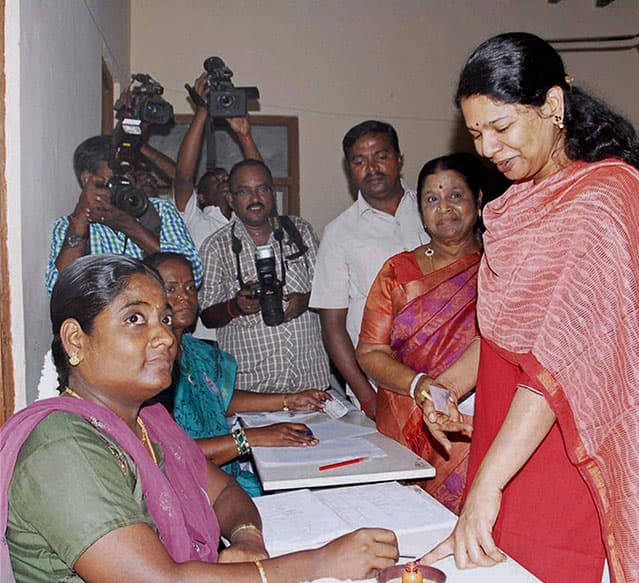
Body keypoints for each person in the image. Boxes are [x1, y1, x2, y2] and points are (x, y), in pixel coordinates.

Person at [421, 33, 639, 583]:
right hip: (508, 440)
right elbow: (507, 335)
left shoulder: (605, 200)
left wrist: (484, 485)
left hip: (573, 447)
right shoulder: (518, 206)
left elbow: (562, 357)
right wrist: (444, 386)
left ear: (554, 105)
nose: (488, 148)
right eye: (476, 134)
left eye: (502, 127)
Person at [1, 254, 398, 583]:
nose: (165, 337)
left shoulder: (150, 420)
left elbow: (223, 489)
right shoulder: (63, 449)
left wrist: (246, 537)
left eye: (165, 318)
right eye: (136, 318)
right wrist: (321, 564)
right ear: (75, 340)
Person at [356, 154, 483, 514]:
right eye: (432, 199)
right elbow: (369, 352)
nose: (444, 208)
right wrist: (420, 386)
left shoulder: (500, 269)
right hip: (405, 421)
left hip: (473, 426)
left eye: (456, 196)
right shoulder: (398, 271)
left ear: (479, 199)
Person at [145, 252, 330, 497]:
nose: (184, 296)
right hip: (190, 493)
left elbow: (216, 398)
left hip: (228, 480)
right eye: (171, 288)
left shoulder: (195, 350)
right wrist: (249, 439)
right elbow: (168, 454)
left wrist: (288, 400)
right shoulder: (145, 364)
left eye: (190, 287)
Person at [310, 121, 428, 417]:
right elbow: (333, 327)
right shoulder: (339, 233)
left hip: (445, 375)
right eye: (359, 161)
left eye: (381, 156)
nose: (371, 168)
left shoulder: (433, 210)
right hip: (381, 388)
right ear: (350, 169)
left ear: (399, 159)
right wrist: (366, 398)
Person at [199, 159, 329, 393]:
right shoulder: (215, 246)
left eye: (262, 189)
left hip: (311, 383)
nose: (255, 199)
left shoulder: (299, 231)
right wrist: (234, 307)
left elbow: (329, 292)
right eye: (244, 191)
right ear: (230, 199)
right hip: (252, 390)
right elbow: (207, 315)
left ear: (273, 193)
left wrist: (306, 301)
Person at [46, 135, 202, 294]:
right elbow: (58, 289)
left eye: (128, 171)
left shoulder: (159, 210)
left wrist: (130, 227)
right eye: (118, 172)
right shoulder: (68, 226)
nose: (126, 179)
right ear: (88, 179)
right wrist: (80, 219)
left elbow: (194, 272)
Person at [174, 71, 263, 250]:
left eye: (226, 179)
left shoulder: (245, 219)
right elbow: (183, 177)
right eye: (215, 180)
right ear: (201, 195)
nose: (224, 180)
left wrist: (244, 136)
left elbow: (260, 180)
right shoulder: (193, 219)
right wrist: (202, 110)